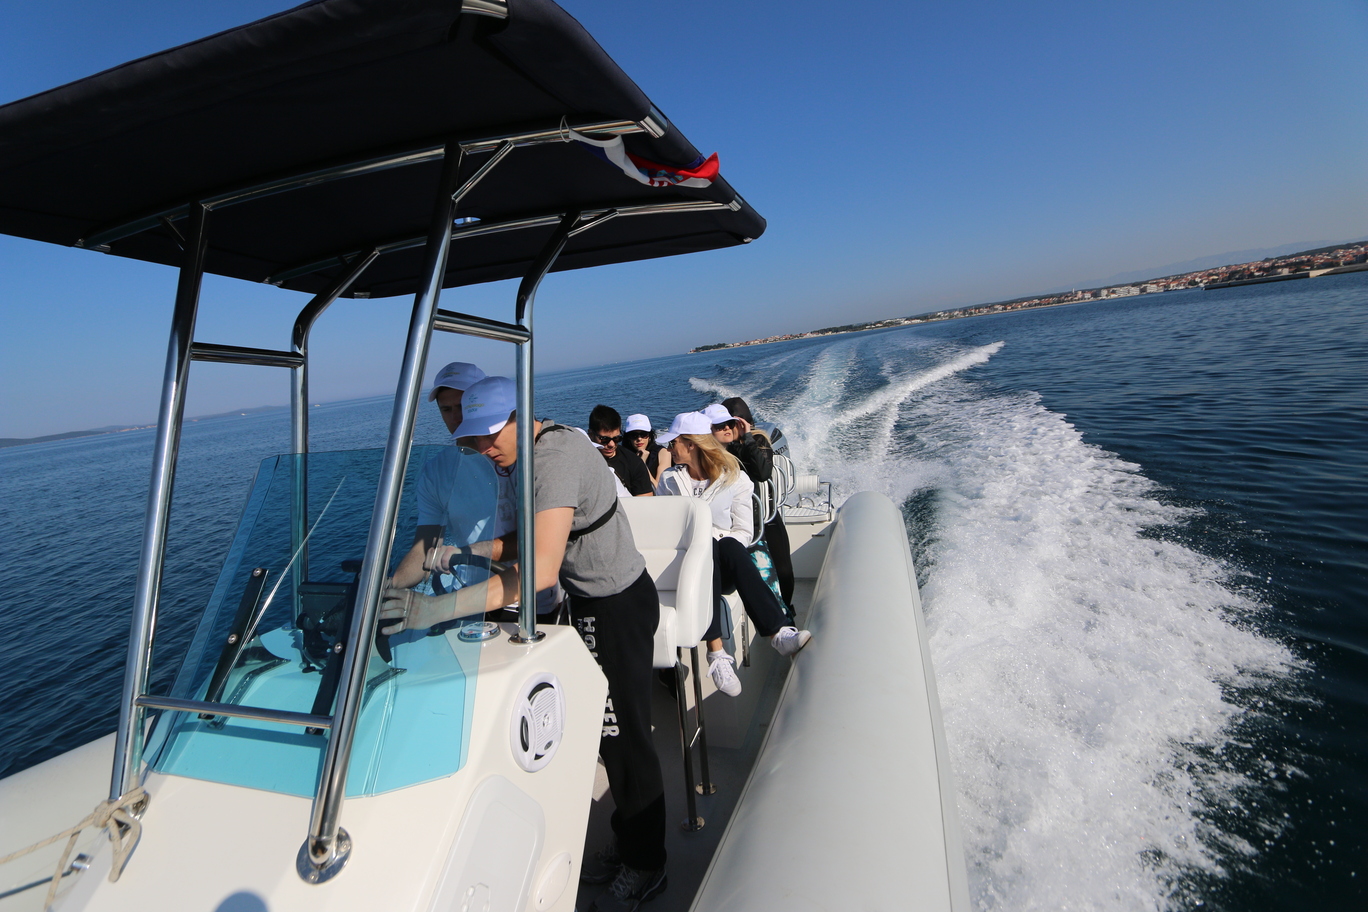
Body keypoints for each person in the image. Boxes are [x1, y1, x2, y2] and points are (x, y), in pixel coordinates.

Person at [380, 376, 668, 912]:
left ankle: (650, 863)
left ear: (520, 416)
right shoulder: (520, 459)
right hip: (591, 603)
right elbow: (530, 537)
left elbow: (538, 571)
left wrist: (438, 607)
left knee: (626, 735)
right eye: (477, 440)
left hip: (619, 604)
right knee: (605, 733)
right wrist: (466, 551)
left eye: (492, 437)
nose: (486, 449)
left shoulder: (554, 457)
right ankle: (631, 842)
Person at [654, 412, 811, 699]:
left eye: (673, 442)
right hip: (687, 566)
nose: (667, 449)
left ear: (691, 444)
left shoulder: (734, 478)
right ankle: (719, 655)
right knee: (710, 547)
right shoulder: (669, 480)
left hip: (725, 564)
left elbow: (744, 531)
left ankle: (777, 634)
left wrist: (710, 541)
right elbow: (665, 527)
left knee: (721, 545)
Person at [720, 396, 795, 615]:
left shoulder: (759, 440)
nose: (728, 428)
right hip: (739, 520)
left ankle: (788, 612)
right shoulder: (719, 448)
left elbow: (762, 473)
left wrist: (747, 439)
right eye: (724, 424)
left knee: (783, 570)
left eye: (733, 423)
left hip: (766, 516)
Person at [588, 405, 653, 496]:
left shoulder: (634, 462)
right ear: (590, 434)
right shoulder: (582, 460)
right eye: (604, 439)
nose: (611, 444)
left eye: (616, 438)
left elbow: (645, 498)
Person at [623, 413, 671, 486]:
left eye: (643, 434)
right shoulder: (623, 455)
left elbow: (659, 489)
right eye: (634, 435)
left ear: (649, 436)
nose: (639, 439)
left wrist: (642, 464)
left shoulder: (663, 453)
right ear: (628, 438)